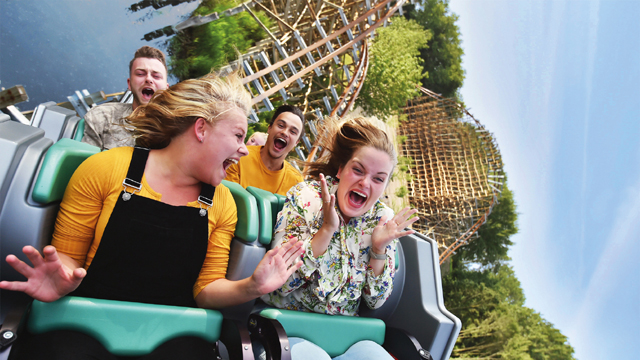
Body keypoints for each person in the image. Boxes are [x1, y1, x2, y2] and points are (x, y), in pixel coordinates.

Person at [0, 72, 304, 360]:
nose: (243, 150)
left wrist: (252, 286)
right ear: (201, 128)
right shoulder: (104, 170)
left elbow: (205, 290)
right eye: (238, 136)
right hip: (84, 328)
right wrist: (62, 278)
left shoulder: (223, 202)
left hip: (173, 338)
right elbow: (68, 260)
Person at [260, 117, 419, 360]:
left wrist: (378, 248)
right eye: (358, 170)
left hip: (347, 336)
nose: (365, 183)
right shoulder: (307, 197)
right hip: (288, 328)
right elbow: (280, 283)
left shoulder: (382, 219)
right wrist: (326, 230)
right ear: (341, 168)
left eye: (378, 178)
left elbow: (375, 302)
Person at [82, 46, 170, 150]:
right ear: (129, 84)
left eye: (156, 76)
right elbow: (84, 163)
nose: (148, 79)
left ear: (166, 88)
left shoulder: (177, 130)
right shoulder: (102, 117)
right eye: (140, 74)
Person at [225, 105, 304, 195]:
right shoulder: (239, 156)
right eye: (281, 125)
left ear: (296, 143)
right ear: (269, 128)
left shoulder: (296, 183)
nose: (285, 132)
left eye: (293, 132)